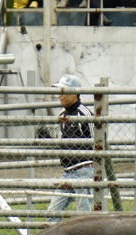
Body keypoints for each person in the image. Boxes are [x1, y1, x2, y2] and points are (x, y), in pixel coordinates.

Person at [46, 74, 96, 223]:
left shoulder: (84, 113)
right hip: (68, 172)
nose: (60, 96)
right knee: (53, 212)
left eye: (63, 91)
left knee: (83, 216)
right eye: (59, 91)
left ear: (74, 93)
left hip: (84, 170)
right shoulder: (63, 115)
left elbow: (98, 139)